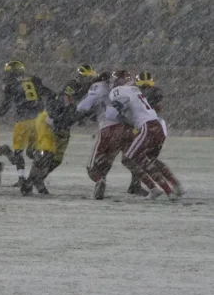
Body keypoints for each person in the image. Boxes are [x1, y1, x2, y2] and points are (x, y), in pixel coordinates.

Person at [77, 71, 162, 199]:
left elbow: (83, 107)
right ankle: (147, 186)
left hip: (108, 128)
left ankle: (100, 180)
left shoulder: (100, 86)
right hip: (128, 129)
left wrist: (90, 114)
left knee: (93, 166)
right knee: (132, 159)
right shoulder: (131, 88)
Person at [20, 65, 99, 195]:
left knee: (57, 159)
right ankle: (29, 182)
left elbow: (85, 111)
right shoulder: (73, 86)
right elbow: (65, 104)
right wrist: (58, 119)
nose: (90, 81)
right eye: (87, 78)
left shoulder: (90, 92)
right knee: (46, 153)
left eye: (91, 78)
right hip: (51, 120)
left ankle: (39, 179)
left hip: (63, 124)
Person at [110, 70, 184, 200]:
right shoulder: (135, 90)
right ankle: (176, 185)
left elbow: (117, 111)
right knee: (150, 158)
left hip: (147, 127)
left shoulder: (118, 91)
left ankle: (160, 189)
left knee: (129, 158)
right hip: (158, 126)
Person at [0, 60, 54, 186]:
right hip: (39, 120)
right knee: (33, 151)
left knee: (18, 151)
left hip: (23, 120)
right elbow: (50, 94)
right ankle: (39, 168)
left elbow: (5, 108)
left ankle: (21, 178)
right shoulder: (34, 80)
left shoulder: (10, 85)